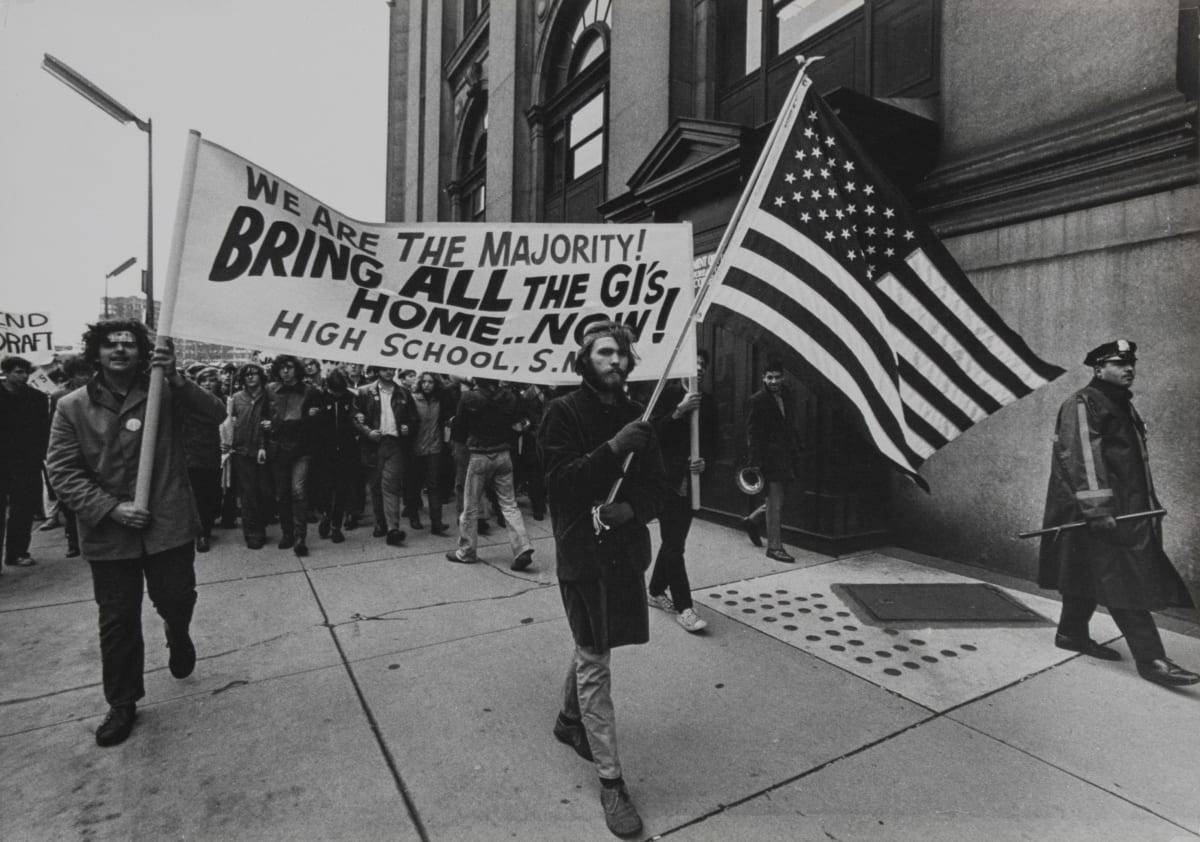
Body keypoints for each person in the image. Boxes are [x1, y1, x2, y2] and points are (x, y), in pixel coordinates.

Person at [45, 320, 226, 746]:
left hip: (167, 524)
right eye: (111, 345)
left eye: (129, 344)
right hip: (110, 535)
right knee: (118, 621)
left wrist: (179, 378)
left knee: (176, 597)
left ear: (143, 353)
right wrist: (109, 508)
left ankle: (177, 633)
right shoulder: (70, 406)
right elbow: (62, 472)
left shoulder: (165, 391)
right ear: (97, 354)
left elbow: (215, 413)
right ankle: (122, 702)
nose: (121, 351)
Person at [538, 320, 670, 837]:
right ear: (585, 359)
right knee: (595, 656)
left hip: (624, 555)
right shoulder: (561, 413)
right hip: (580, 556)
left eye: (622, 353)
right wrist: (614, 448)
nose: (616, 361)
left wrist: (633, 509)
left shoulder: (641, 417)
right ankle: (612, 781)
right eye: (605, 353)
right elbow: (560, 484)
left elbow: (661, 489)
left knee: (595, 643)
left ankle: (570, 721)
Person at [1038, 340, 1198, 686]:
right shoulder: (1085, 402)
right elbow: (1083, 456)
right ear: (1098, 369)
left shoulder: (1119, 404)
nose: (1129, 369)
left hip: (1122, 511)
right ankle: (1151, 659)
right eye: (1118, 363)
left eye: (1131, 364)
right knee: (1123, 578)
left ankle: (1070, 634)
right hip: (1096, 511)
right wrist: (1098, 509)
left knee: (1086, 570)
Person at [647, 349, 720, 633]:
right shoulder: (666, 395)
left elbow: (715, 442)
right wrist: (679, 411)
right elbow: (652, 434)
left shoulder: (709, 403)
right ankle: (684, 607)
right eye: (695, 364)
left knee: (673, 542)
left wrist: (706, 463)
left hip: (692, 486)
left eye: (703, 365)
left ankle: (654, 590)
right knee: (675, 545)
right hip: (667, 483)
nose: (699, 369)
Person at [445, 377, 534, 571]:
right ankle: (522, 547)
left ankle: (467, 551)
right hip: (503, 453)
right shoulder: (509, 397)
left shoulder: (469, 398)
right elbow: (518, 421)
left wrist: (454, 423)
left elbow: (459, 430)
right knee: (509, 504)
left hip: (479, 455)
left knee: (470, 506)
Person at [741, 359, 802, 563]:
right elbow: (752, 433)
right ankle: (774, 547)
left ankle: (752, 521)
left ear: (782, 377)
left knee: (777, 500)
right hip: (768, 459)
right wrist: (753, 463)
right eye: (769, 378)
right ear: (763, 378)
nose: (773, 381)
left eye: (777, 377)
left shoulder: (787, 395)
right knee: (775, 504)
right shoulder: (757, 400)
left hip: (786, 456)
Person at [266, 355, 322, 557]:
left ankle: (300, 537)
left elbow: (317, 421)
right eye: (282, 368)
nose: (286, 372)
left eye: (289, 368)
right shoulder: (270, 390)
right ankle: (287, 533)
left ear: (296, 370)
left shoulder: (310, 391)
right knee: (282, 494)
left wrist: (311, 417)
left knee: (298, 491)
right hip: (279, 448)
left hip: (302, 448)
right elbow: (265, 414)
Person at [354, 368, 417, 546]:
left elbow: (414, 419)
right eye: (384, 368)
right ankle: (380, 523)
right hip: (373, 444)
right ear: (377, 370)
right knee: (375, 486)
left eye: (391, 368)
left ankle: (393, 528)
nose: (389, 372)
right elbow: (355, 417)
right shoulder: (365, 391)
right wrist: (367, 432)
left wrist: (408, 427)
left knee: (391, 486)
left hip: (395, 444)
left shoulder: (403, 393)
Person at [0, 355, 50, 571]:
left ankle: (17, 552)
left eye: (24, 372)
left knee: (23, 509)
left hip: (27, 462)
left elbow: (43, 430)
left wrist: (43, 455)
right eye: (17, 372)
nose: (22, 376)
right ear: (7, 372)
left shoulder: (36, 398)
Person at [227, 363, 273, 549]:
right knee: (248, 494)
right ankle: (253, 533)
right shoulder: (236, 398)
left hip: (265, 450)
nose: (250, 377)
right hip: (242, 451)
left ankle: (261, 523)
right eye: (247, 375)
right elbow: (228, 422)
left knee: (266, 492)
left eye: (254, 374)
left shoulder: (269, 396)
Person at [314, 368, 359, 544]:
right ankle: (326, 515)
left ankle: (336, 526)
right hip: (324, 451)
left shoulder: (349, 397)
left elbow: (355, 416)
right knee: (325, 489)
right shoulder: (320, 397)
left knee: (341, 490)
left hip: (346, 451)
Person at [183, 367, 224, 553]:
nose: (207, 384)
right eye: (203, 381)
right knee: (196, 496)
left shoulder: (218, 403)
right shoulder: (188, 402)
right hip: (190, 454)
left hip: (211, 453)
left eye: (211, 380)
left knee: (209, 495)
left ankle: (204, 529)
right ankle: (201, 533)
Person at [411, 373, 450, 536]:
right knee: (415, 484)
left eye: (431, 382)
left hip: (434, 447)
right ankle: (414, 516)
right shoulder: (413, 399)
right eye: (424, 382)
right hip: (415, 448)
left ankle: (436, 522)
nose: (427, 385)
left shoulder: (439, 400)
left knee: (434, 485)